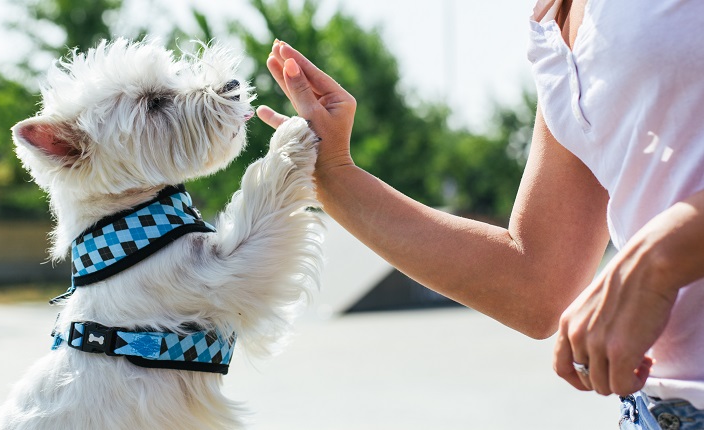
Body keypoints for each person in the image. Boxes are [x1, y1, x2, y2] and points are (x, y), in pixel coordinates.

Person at [257, 0, 704, 428]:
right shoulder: (556, 21)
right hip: (654, 413)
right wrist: (335, 176)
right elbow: (535, 284)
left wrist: (657, 257)